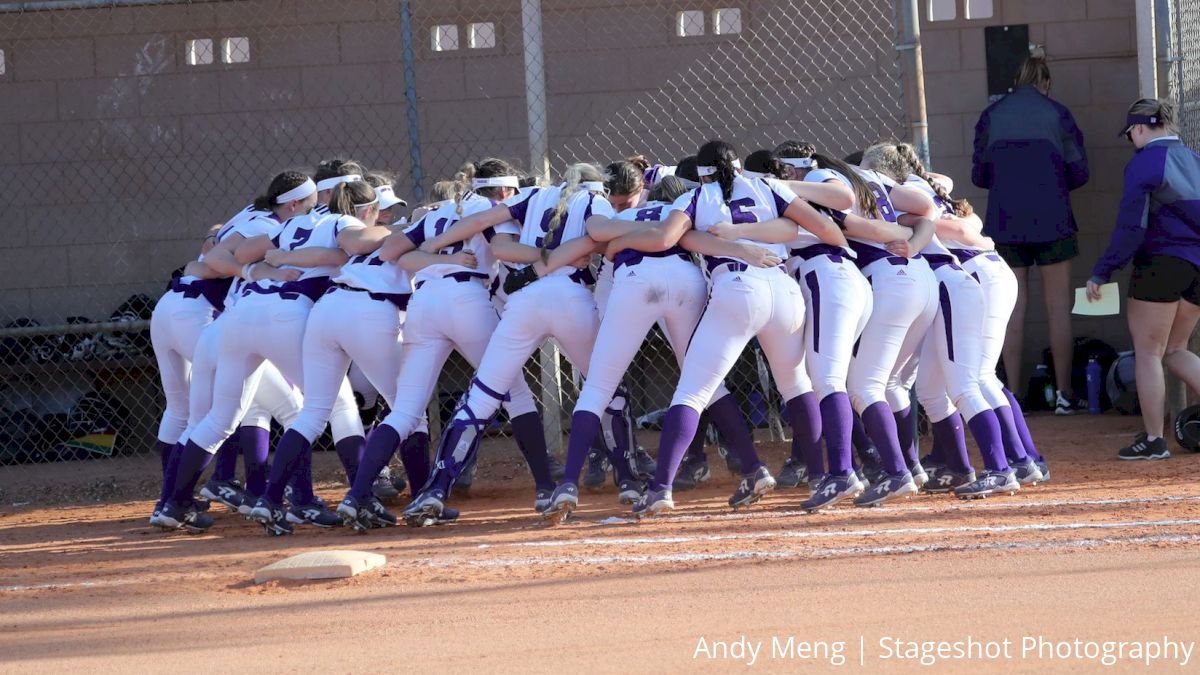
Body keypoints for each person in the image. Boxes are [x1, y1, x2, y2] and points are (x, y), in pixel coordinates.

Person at [600, 139, 848, 518]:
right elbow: (826, 229)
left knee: (693, 391)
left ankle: (661, 488)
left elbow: (668, 238)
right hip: (783, 288)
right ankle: (818, 477)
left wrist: (725, 241)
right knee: (797, 385)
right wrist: (784, 236)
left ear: (701, 175)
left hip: (737, 288)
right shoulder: (769, 186)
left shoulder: (696, 197)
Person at [972, 54, 1089, 415]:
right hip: (1053, 218)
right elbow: (1080, 171)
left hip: (1005, 222)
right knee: (1058, 308)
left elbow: (980, 175)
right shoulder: (1058, 114)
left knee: (1011, 309)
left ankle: (1012, 395)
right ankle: (1066, 394)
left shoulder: (991, 116)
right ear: (1046, 82)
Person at [1089, 98, 1200, 460]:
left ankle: (1154, 440)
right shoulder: (1194, 158)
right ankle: (1153, 438)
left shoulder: (1144, 163)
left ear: (1138, 129)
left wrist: (1104, 270)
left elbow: (1131, 228)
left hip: (1161, 262)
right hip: (1198, 265)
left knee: (1150, 352)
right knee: (1176, 349)